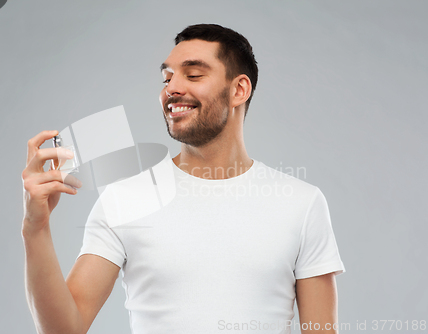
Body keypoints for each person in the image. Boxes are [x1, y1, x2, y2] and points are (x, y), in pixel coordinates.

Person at [21, 24, 346, 334]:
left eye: (193, 75)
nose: (173, 88)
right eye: (167, 78)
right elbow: (64, 329)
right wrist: (35, 228)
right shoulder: (126, 198)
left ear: (239, 89)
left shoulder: (301, 203)